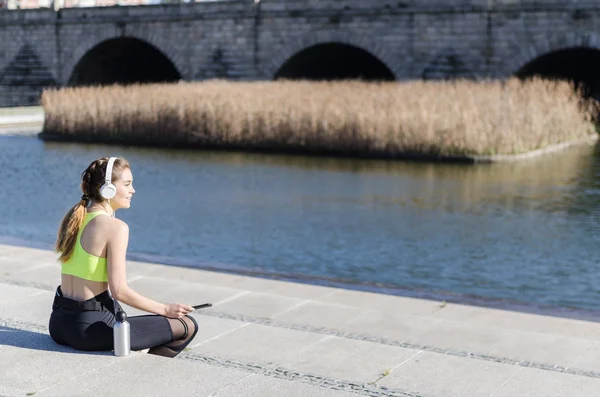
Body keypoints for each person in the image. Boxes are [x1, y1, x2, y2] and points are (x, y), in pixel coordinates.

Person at [49, 156, 198, 357]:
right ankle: (145, 374)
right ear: (107, 188)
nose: (132, 190)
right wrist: (165, 309)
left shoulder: (74, 217)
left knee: (119, 312)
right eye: (127, 184)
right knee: (186, 324)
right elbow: (120, 291)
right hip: (86, 331)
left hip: (58, 324)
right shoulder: (116, 228)